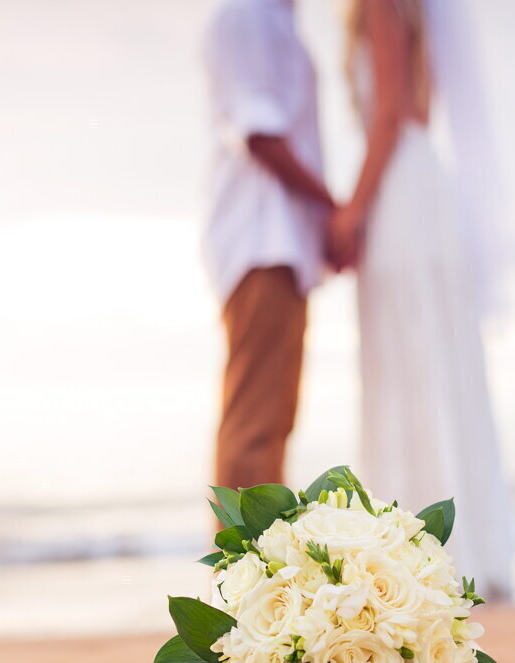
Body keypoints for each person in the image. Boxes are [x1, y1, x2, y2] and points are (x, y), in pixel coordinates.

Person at [329, 0, 515, 599]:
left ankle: (419, 564)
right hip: (422, 189)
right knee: (435, 368)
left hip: (400, 198)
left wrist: (351, 211)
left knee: (405, 370)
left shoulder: (381, 5)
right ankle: (464, 553)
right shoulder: (417, 13)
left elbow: (389, 115)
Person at [201, 0, 335, 493]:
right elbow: (258, 131)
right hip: (262, 238)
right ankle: (239, 569)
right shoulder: (247, 13)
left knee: (272, 422)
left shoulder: (274, 16)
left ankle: (256, 567)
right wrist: (333, 211)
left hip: (281, 240)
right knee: (255, 426)